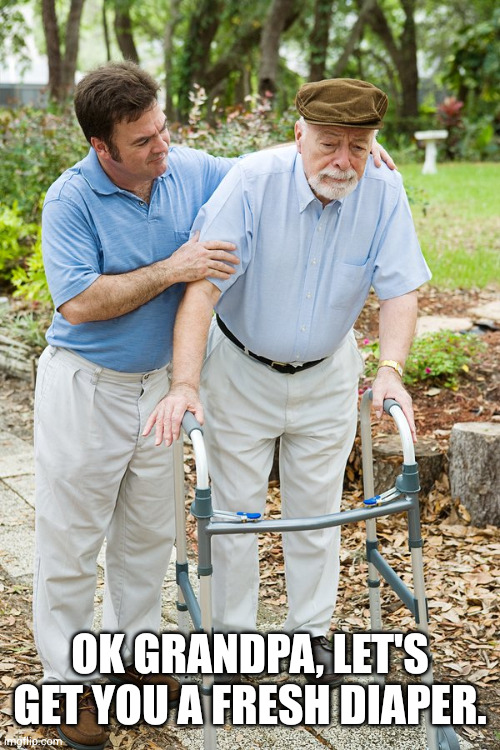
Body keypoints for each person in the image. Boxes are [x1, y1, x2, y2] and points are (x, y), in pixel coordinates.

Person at [35, 60, 394, 748]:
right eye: (143, 142)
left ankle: (133, 659)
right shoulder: (70, 200)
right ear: (101, 146)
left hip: (160, 387)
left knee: (146, 538)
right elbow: (78, 302)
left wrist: (349, 148)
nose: (162, 148)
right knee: (72, 542)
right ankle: (67, 685)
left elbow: (276, 166)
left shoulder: (187, 169)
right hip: (87, 385)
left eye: (163, 130)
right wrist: (176, 267)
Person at [144, 78, 432, 686]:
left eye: (358, 146)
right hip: (241, 369)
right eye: (329, 143)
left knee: (317, 511)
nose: (343, 161)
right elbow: (203, 290)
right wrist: (185, 384)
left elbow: (400, 288)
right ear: (298, 135)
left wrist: (391, 370)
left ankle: (310, 636)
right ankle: (234, 642)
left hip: (327, 372)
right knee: (235, 512)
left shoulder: (383, 188)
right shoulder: (252, 183)